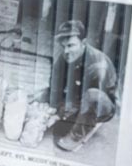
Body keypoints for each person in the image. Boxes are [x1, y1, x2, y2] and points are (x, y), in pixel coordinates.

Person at [44, 20, 118, 153]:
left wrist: (70, 108)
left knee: (92, 95)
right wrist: (53, 109)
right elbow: (55, 85)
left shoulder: (99, 66)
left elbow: (96, 101)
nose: (66, 51)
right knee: (42, 95)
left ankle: (76, 136)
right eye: (63, 46)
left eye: (71, 45)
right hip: (77, 95)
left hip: (101, 106)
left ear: (83, 43)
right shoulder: (65, 56)